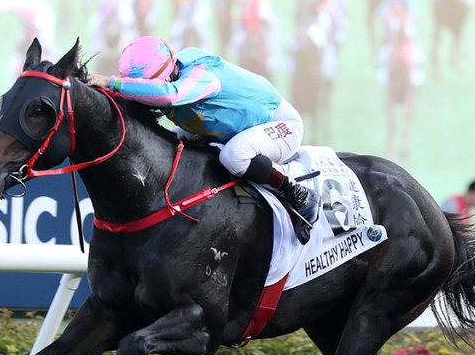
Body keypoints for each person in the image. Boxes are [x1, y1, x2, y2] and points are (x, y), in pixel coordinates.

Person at [87, 35, 319, 243]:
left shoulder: (202, 75)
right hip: (232, 131)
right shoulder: (168, 71)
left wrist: (113, 83)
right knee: (167, 144)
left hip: (279, 125)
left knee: (234, 156)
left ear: (169, 73)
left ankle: (300, 195)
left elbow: (171, 95)